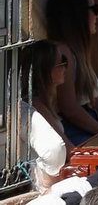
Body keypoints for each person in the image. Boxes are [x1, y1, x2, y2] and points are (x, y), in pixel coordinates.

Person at [43, 0, 98, 145]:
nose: (97, 15)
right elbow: (70, 109)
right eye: (94, 9)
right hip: (73, 129)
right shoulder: (62, 52)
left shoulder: (75, 52)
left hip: (88, 120)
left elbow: (91, 101)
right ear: (77, 15)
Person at [27, 40, 68, 190]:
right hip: (46, 184)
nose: (65, 68)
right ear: (47, 71)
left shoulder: (45, 102)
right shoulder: (37, 106)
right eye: (62, 63)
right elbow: (66, 148)